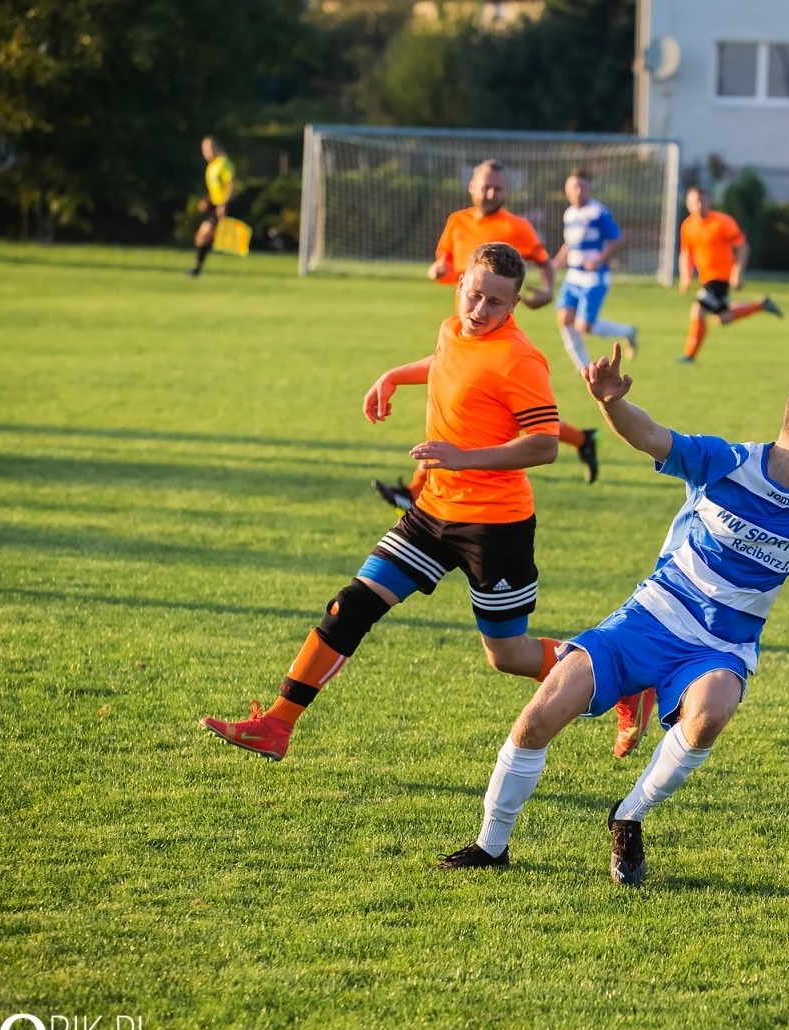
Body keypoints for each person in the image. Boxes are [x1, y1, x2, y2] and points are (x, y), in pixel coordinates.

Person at [436, 356, 789, 884]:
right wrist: (610, 402)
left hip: (721, 648)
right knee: (539, 716)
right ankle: (491, 845)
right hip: (648, 620)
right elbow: (651, 437)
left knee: (712, 711)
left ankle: (628, 815)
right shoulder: (724, 462)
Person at [203, 244, 568, 761]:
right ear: (461, 283)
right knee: (351, 604)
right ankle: (277, 725)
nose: (479, 311)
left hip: (494, 526)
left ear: (513, 309)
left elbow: (545, 444)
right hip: (431, 513)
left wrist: (464, 458)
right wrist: (395, 374)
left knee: (507, 655)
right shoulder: (452, 328)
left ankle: (621, 679)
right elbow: (448, 360)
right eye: (475, 295)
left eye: (495, 304)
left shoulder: (520, 358)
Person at [373, 159, 598, 510]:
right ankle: (582, 439)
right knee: (471, 406)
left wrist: (548, 292)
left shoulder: (516, 227)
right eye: (486, 186)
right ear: (472, 186)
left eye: (499, 188)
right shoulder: (456, 222)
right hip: (462, 331)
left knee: (489, 409)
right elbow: (445, 260)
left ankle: (416, 492)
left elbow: (542, 261)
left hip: (495, 335)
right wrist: (439, 270)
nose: (492, 193)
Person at [677, 186, 782, 363]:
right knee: (723, 318)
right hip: (706, 278)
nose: (699, 204)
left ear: (709, 201)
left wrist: (737, 272)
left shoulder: (722, 222)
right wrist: (685, 276)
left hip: (720, 277)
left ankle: (689, 355)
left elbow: (742, 245)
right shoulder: (688, 226)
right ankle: (761, 305)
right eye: (695, 201)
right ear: (688, 204)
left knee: (698, 310)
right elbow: (686, 252)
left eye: (703, 200)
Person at [554, 170, 639, 371]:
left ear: (589, 188)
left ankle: (628, 331)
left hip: (593, 278)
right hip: (573, 276)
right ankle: (582, 366)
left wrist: (599, 260)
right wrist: (555, 263)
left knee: (585, 327)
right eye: (573, 187)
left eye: (582, 187)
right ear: (567, 190)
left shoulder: (598, 212)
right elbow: (569, 244)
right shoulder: (569, 213)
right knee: (564, 320)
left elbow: (618, 239)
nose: (578, 191)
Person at [189, 137, 234, 278]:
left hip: (222, 205)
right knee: (201, 237)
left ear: (216, 147)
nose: (206, 151)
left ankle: (197, 269)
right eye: (204, 148)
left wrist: (224, 204)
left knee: (205, 234)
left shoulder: (223, 163)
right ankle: (197, 268)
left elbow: (230, 185)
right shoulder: (211, 166)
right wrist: (206, 199)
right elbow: (216, 188)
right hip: (214, 205)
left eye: (209, 147)